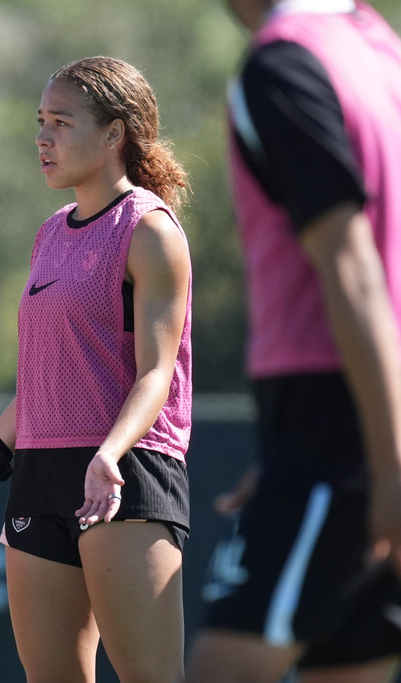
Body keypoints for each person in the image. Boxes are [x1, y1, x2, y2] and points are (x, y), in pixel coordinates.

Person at [0, 56, 192, 682]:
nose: (42, 137)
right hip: (40, 473)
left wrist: (109, 455)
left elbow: (156, 374)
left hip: (125, 472)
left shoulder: (149, 229)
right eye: (40, 121)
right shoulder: (51, 233)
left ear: (115, 134)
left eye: (61, 122)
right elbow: (43, 381)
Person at [184, 1, 401, 681]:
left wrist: (387, 463)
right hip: (346, 427)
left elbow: (353, 264)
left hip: (345, 425)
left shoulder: (281, 64)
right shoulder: (378, 46)